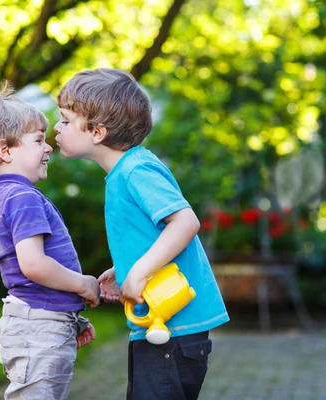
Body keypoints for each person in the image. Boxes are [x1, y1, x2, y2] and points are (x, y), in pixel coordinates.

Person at [53, 68, 229, 400]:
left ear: (96, 131)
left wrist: (140, 271)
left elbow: (185, 222)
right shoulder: (125, 171)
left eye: (65, 120)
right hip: (160, 327)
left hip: (172, 330)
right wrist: (125, 270)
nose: (56, 128)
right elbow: (155, 235)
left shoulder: (136, 169)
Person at [0, 82, 100, 400]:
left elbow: (28, 280)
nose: (48, 147)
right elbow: (33, 266)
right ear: (5, 151)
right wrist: (82, 284)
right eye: (37, 141)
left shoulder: (1, 196)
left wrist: (70, 318)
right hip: (39, 330)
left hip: (38, 323)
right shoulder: (21, 196)